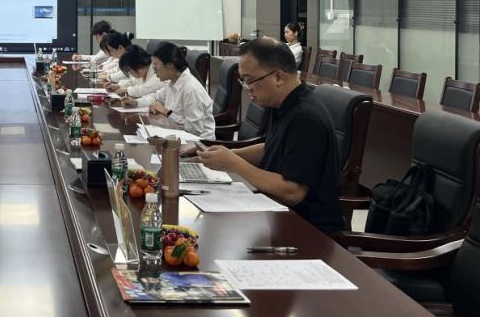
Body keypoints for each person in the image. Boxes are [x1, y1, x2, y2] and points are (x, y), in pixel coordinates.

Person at [191, 38, 342, 233]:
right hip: (275, 212)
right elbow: (270, 147)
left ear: (278, 77)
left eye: (250, 80)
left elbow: (293, 192)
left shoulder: (305, 117)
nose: (247, 89)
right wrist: (222, 155)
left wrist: (235, 164)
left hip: (307, 229)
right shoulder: (283, 103)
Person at [124, 42, 215, 139]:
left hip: (198, 143)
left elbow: (195, 130)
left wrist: (167, 113)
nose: (154, 70)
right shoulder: (172, 81)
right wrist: (136, 102)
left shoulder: (190, 89)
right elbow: (157, 97)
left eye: (156, 65)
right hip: (177, 134)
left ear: (170, 65)